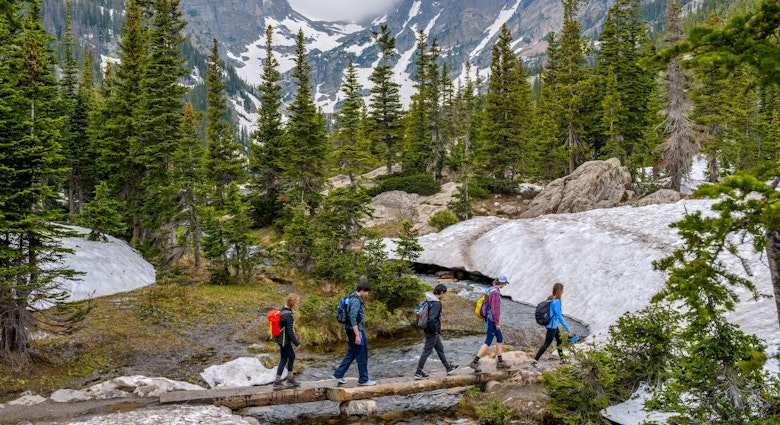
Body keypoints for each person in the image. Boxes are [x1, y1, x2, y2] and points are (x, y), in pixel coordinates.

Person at [332, 281, 376, 386]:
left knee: (351, 353)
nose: (367, 294)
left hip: (349, 329)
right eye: (366, 292)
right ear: (361, 290)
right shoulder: (356, 301)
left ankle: (338, 374)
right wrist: (357, 335)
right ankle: (364, 379)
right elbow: (353, 318)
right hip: (356, 330)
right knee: (362, 354)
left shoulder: (351, 297)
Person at [414, 284, 459, 379]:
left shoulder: (429, 300)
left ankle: (448, 368)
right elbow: (432, 319)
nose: (444, 296)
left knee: (439, 348)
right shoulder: (436, 303)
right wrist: (435, 330)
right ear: (441, 292)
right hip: (432, 331)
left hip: (428, 329)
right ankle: (418, 372)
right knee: (427, 351)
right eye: (444, 294)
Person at [469, 274, 511, 372]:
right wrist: (497, 323)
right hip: (492, 320)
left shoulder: (491, 289)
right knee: (488, 341)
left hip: (489, 318)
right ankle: (474, 362)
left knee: (500, 338)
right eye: (504, 283)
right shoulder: (495, 293)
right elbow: (495, 310)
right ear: (502, 283)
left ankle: (500, 362)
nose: (505, 285)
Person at [531, 282, 571, 367]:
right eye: (562, 290)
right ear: (560, 291)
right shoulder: (556, 301)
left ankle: (562, 359)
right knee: (547, 343)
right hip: (552, 326)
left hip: (553, 325)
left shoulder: (550, 298)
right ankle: (535, 360)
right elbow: (559, 316)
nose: (563, 292)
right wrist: (567, 328)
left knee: (559, 340)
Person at [273, 293, 302, 389]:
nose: (296, 304)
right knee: (284, 359)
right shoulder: (287, 316)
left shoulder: (283, 310)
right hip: (285, 341)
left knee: (292, 356)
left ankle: (289, 378)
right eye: (296, 302)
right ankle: (277, 381)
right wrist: (296, 343)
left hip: (281, 339)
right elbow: (289, 331)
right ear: (292, 303)